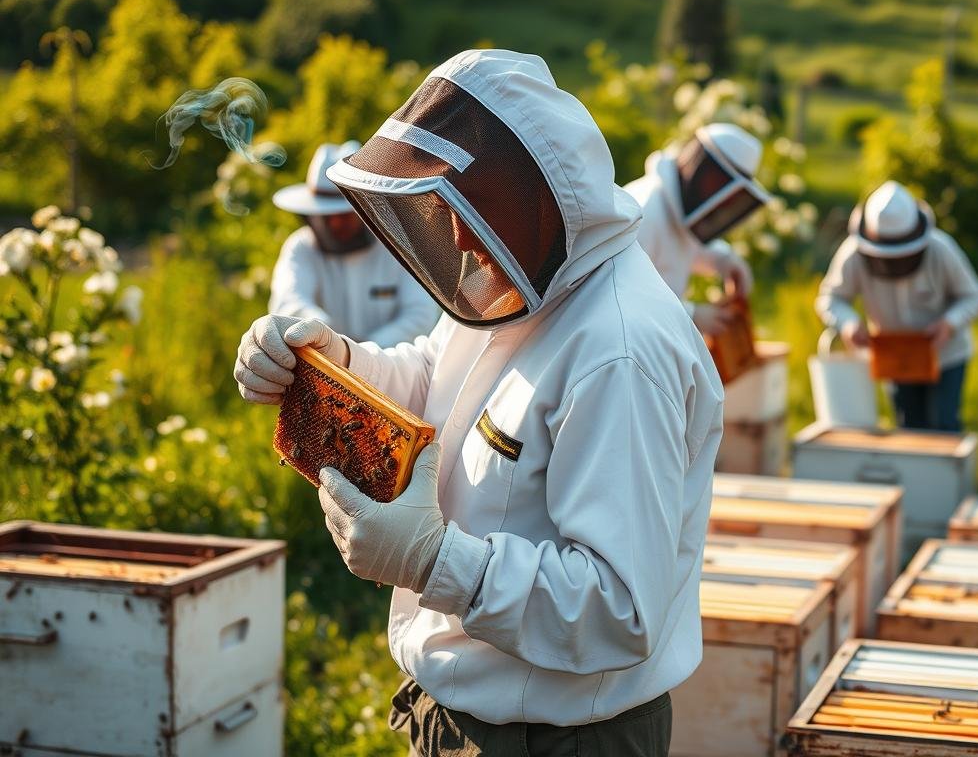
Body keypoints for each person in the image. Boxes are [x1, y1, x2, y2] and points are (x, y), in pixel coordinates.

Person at [233, 49, 723, 756]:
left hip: (558, 739)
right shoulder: (530, 274)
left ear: (538, 198)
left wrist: (436, 562)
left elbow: (619, 610)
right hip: (467, 714)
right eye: (443, 207)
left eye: (471, 206)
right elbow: (435, 375)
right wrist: (333, 360)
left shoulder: (620, 350)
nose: (457, 235)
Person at [816, 181, 978, 432]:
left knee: (944, 425)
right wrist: (849, 323)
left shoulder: (941, 249)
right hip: (894, 357)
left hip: (946, 355)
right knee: (908, 427)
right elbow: (830, 298)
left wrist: (950, 322)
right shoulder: (853, 253)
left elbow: (973, 295)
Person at [269, 141, 440, 347]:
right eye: (326, 216)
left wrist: (360, 353)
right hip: (321, 364)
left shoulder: (400, 246)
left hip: (394, 371)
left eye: (344, 214)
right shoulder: (301, 247)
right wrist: (326, 340)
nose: (335, 223)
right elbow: (289, 303)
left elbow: (420, 315)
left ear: (365, 209)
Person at [623, 123, 768, 335]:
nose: (726, 203)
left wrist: (725, 260)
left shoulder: (675, 214)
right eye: (722, 189)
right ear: (704, 169)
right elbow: (623, 296)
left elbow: (686, 249)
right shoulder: (644, 212)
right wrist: (690, 315)